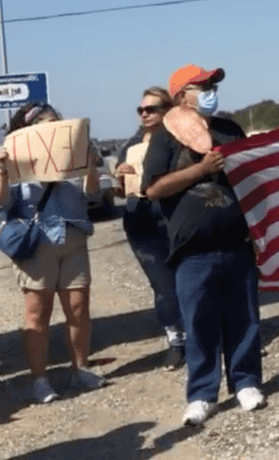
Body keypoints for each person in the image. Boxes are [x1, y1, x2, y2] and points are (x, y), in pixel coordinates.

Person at [143, 64, 265, 425]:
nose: (211, 91)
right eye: (203, 86)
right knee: (199, 323)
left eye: (213, 85)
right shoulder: (165, 137)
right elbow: (153, 189)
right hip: (192, 252)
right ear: (182, 96)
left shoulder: (229, 129)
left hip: (238, 244)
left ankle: (245, 382)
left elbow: (252, 181)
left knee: (244, 319)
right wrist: (200, 170)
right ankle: (202, 393)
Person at [0, 103, 107, 403]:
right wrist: (1, 170)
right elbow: (0, 202)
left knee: (79, 309)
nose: (55, 127)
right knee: (37, 314)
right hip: (37, 243)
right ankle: (40, 379)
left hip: (73, 236)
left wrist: (90, 164)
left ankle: (80, 368)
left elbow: (92, 194)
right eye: (48, 123)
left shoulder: (73, 153)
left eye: (57, 122)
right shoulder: (12, 157)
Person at [115, 86, 187, 370]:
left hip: (177, 216)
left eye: (151, 109)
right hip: (141, 221)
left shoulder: (182, 138)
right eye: (141, 109)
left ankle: (203, 338)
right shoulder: (130, 144)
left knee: (189, 281)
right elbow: (121, 193)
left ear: (167, 110)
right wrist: (120, 177)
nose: (145, 114)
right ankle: (175, 342)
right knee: (163, 287)